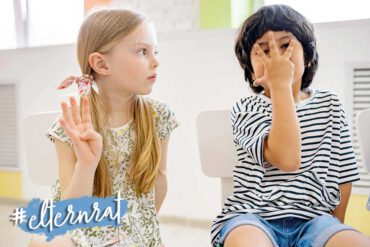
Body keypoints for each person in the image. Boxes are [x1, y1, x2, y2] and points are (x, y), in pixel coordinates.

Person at [211, 4, 370, 247]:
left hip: (315, 220)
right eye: (263, 51)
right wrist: (281, 86)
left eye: (285, 45)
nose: (276, 57)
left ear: (307, 56)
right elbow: (287, 159)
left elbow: (343, 175)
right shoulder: (246, 108)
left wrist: (333, 230)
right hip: (253, 217)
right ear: (252, 71)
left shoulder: (330, 104)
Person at [29, 8, 178, 247]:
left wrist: (133, 231)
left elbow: (158, 187)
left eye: (155, 51)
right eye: (142, 51)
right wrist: (86, 167)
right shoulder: (72, 125)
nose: (156, 61)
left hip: (135, 232)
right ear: (101, 63)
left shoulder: (158, 116)